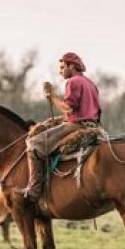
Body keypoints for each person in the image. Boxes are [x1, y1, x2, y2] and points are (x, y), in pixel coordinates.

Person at [14, 52, 101, 202]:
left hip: (76, 127)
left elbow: (68, 109)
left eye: (62, 67)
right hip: (93, 125)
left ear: (71, 66)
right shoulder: (90, 83)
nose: (60, 71)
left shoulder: (73, 82)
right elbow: (86, 111)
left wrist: (51, 94)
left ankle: (34, 189)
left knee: (33, 143)